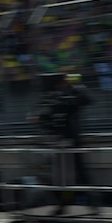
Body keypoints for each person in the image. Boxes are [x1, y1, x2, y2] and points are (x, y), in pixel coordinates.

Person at [36, 73, 96, 215]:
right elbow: (48, 116)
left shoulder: (73, 94)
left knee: (80, 174)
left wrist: (75, 87)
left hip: (72, 141)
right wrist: (42, 120)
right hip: (58, 141)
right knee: (61, 178)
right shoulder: (53, 97)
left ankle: (93, 203)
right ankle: (64, 204)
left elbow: (87, 100)